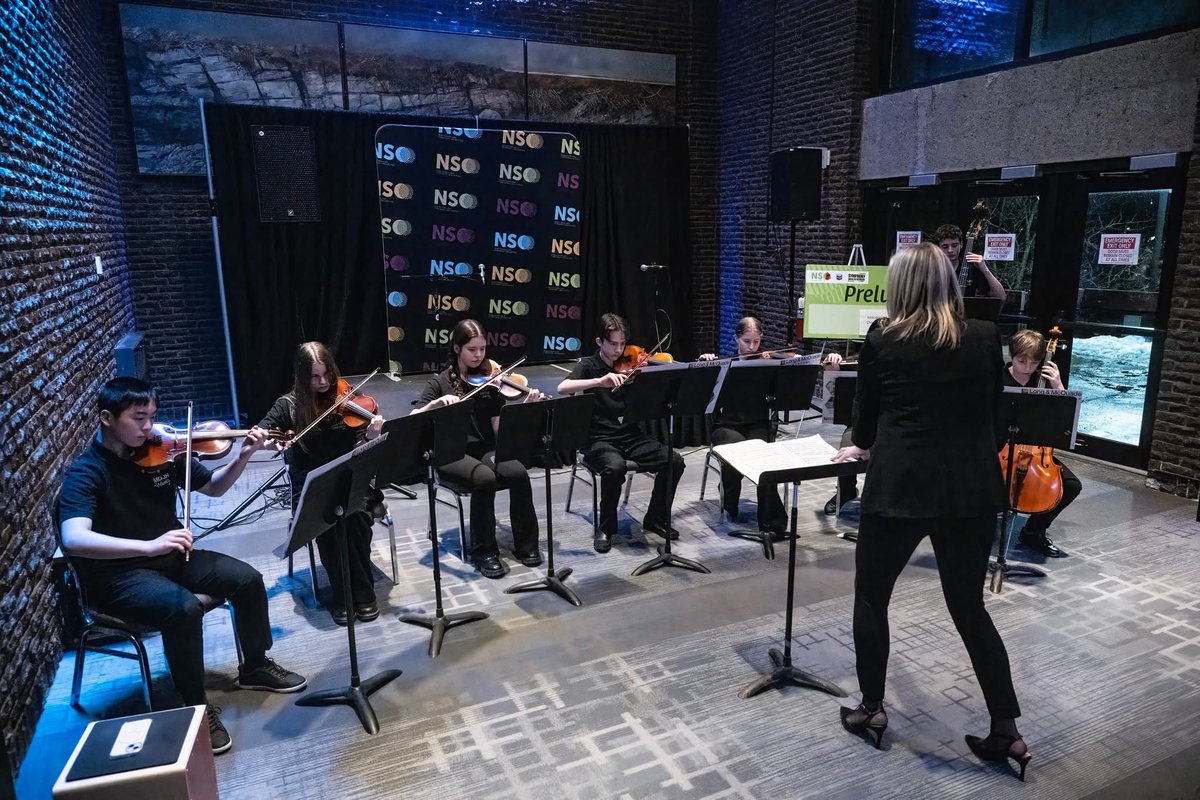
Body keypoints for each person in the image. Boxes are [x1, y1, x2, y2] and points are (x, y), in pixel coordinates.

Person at [831, 242, 1031, 780]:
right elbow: (991, 415)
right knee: (969, 608)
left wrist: (862, 443)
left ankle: (872, 709)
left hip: (899, 487)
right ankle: (1007, 730)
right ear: (947, 283)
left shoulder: (883, 338)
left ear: (900, 287)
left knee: (873, 599)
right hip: (970, 491)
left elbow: (866, 423)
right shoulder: (986, 337)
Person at [59, 377, 307, 756]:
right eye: (139, 418)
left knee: (247, 579)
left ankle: (255, 665)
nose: (149, 427)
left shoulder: (165, 452)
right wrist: (147, 545)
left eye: (153, 417)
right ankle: (195, 706)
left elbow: (216, 489)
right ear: (107, 418)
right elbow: (74, 538)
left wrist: (242, 456)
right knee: (184, 609)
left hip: (171, 559)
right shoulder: (86, 472)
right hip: (118, 577)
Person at [258, 342, 385, 625]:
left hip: (350, 481)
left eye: (327, 374)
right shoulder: (288, 406)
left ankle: (363, 592)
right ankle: (342, 594)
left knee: (356, 518)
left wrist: (372, 436)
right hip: (311, 489)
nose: (324, 383)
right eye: (315, 377)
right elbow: (263, 434)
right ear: (302, 377)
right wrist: (266, 441)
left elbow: (364, 446)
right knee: (328, 522)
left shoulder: (349, 397)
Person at [411, 319, 543, 578]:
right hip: (451, 452)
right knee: (484, 478)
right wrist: (436, 405)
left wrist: (524, 406)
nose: (479, 355)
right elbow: (414, 417)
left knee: (517, 472)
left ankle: (526, 545)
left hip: (483, 448)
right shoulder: (440, 383)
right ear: (457, 348)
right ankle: (484, 551)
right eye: (473, 349)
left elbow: (497, 429)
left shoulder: (491, 381)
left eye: (483, 349)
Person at [558, 313, 685, 552]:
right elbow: (562, 387)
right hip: (598, 439)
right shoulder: (588, 366)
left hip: (630, 436)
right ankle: (606, 527)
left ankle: (656, 517)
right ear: (599, 342)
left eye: (622, 344)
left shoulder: (632, 365)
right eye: (613, 344)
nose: (619, 350)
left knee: (674, 460)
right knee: (615, 468)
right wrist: (599, 381)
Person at [698, 316, 788, 535]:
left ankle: (770, 520)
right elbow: (702, 391)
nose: (752, 347)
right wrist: (705, 363)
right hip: (726, 426)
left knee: (764, 460)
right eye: (747, 341)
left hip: (757, 423)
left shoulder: (767, 364)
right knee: (736, 452)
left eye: (756, 342)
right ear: (736, 339)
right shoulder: (725, 364)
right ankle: (729, 499)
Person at [1001, 328, 1082, 558]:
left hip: (1037, 452)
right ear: (1011, 355)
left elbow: (1066, 417)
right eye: (1021, 361)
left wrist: (1057, 386)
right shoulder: (998, 379)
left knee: (1071, 486)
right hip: (1002, 447)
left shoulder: (1045, 380)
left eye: (1034, 362)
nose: (1027, 367)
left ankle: (1033, 531)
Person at [819, 316, 889, 516]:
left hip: (888, 426)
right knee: (846, 443)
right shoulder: (859, 362)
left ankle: (880, 496)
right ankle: (845, 491)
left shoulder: (899, 364)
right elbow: (831, 400)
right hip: (861, 424)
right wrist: (833, 368)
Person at [935, 223, 1006, 301]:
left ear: (961, 245)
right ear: (938, 248)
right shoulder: (931, 270)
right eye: (945, 247)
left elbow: (1001, 297)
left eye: (954, 245)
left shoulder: (969, 269)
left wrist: (985, 270)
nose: (950, 250)